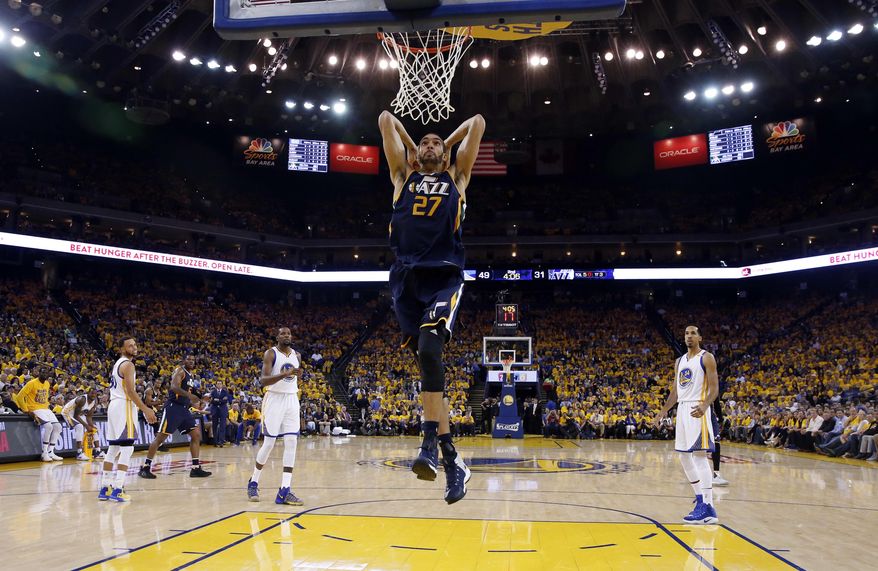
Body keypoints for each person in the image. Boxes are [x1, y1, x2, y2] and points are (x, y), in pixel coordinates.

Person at [378, 110, 485, 505]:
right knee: (427, 366)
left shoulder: (456, 178)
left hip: (444, 276)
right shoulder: (401, 178)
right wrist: (411, 147)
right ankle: (452, 459)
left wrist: (449, 147)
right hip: (406, 280)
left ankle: (427, 444)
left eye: (435, 141)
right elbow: (386, 118)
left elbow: (478, 121)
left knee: (429, 349)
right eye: (424, 141)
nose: (429, 144)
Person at [655, 326, 720, 524]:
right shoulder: (679, 361)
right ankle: (700, 500)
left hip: (697, 408)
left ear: (700, 337)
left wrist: (705, 405)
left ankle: (709, 507)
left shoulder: (706, 357)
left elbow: (715, 388)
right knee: (684, 456)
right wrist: (663, 410)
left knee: (700, 457)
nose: (689, 336)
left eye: (693, 333)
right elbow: (675, 391)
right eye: (686, 333)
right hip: (682, 409)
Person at [247, 327, 305, 506]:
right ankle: (253, 482)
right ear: (277, 337)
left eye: (288, 334)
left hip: (291, 399)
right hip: (274, 399)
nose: (286, 336)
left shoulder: (297, 355)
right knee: (269, 443)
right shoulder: (270, 354)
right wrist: (284, 374)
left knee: (292, 443)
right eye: (283, 334)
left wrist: (296, 375)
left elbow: (292, 378)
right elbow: (263, 380)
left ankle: (285, 490)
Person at [99, 337, 158, 502]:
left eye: (135, 345)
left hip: (114, 406)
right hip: (124, 406)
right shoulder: (128, 364)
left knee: (113, 448)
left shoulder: (117, 364)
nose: (134, 347)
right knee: (127, 448)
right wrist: (146, 409)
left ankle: (105, 487)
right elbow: (131, 392)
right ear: (122, 349)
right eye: (130, 345)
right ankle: (118, 489)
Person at [137, 355, 212, 480]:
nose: (191, 361)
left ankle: (195, 468)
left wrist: (199, 398)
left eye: (193, 360)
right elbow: (174, 387)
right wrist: (189, 395)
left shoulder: (191, 376)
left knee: (196, 435)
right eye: (188, 359)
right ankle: (145, 467)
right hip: (173, 408)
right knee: (160, 437)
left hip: (184, 409)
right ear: (184, 361)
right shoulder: (180, 371)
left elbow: (189, 393)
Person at [16, 366, 63, 462]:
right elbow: (19, 396)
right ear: (38, 373)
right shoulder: (31, 383)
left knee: (58, 427)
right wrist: (26, 410)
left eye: (46, 373)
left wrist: (48, 406)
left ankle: (51, 451)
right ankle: (44, 453)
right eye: (42, 373)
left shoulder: (47, 383)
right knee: (48, 426)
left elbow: (45, 398)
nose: (44, 374)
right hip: (35, 408)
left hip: (45, 408)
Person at [60, 387, 98, 460]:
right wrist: (86, 426)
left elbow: (89, 417)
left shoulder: (95, 402)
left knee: (94, 428)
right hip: (67, 412)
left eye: (95, 393)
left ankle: (98, 451)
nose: (93, 395)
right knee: (79, 426)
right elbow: (75, 416)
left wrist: (91, 426)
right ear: (88, 393)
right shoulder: (82, 399)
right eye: (92, 393)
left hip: (79, 414)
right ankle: (79, 453)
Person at [210, 381, 233, 447]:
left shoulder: (225, 392)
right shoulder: (213, 392)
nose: (219, 385)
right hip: (215, 410)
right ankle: (215, 442)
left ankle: (221, 442)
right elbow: (212, 401)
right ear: (216, 385)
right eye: (218, 384)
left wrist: (217, 400)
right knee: (214, 426)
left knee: (222, 426)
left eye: (220, 384)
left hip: (223, 410)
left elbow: (225, 400)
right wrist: (220, 400)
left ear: (222, 385)